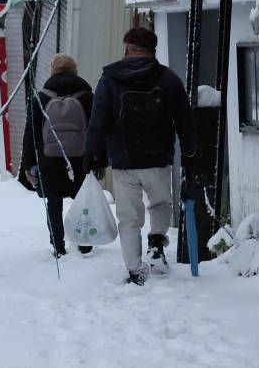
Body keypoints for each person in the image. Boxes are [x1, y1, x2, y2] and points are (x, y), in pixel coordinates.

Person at [83, 27, 196, 285]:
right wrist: (189, 150)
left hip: (124, 160)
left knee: (129, 217)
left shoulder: (110, 80)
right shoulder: (167, 79)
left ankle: (135, 269)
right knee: (160, 204)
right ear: (152, 50)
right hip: (158, 158)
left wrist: (91, 155)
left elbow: (97, 121)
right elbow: (185, 120)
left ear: (128, 47)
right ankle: (156, 242)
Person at [20, 53, 94, 258]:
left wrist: (28, 165)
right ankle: (85, 244)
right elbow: (97, 129)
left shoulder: (41, 97)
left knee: (54, 203)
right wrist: (99, 160)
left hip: (49, 159)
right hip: (80, 159)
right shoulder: (87, 96)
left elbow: (31, 134)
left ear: (52, 71)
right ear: (75, 70)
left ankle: (58, 246)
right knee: (83, 201)